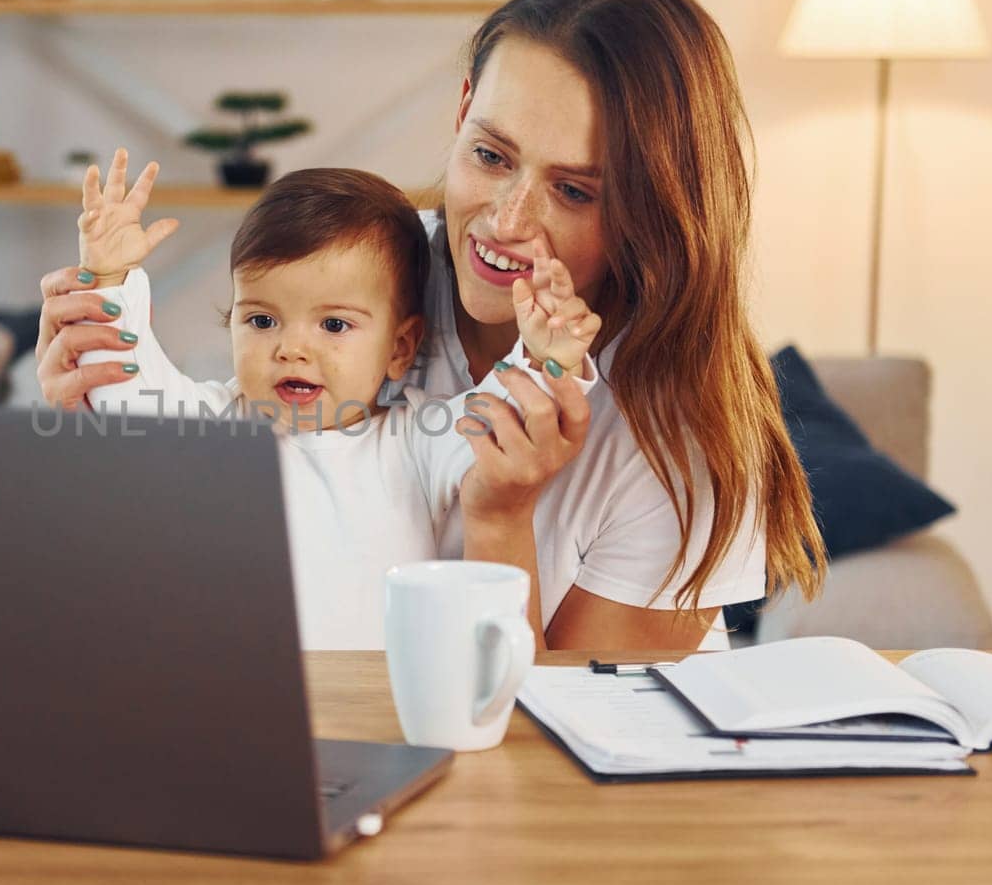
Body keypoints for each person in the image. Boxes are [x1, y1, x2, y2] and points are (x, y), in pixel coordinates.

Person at [35, 0, 826, 651]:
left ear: (651, 211)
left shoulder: (683, 444)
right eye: (490, 154)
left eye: (575, 190)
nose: (506, 222)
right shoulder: (366, 279)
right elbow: (225, 464)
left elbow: (553, 751)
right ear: (460, 112)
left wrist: (501, 517)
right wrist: (97, 402)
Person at [69, 160, 600, 648]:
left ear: (399, 349)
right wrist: (109, 280)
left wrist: (544, 355)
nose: (291, 348)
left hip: (378, 709)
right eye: (260, 320)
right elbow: (122, 382)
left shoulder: (418, 439)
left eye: (334, 325)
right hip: (229, 695)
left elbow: (506, 416)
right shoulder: (210, 422)